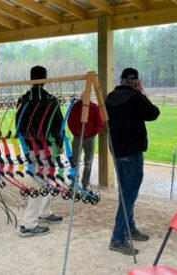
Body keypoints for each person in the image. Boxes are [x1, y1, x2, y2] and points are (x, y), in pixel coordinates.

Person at [106, 68, 160, 255]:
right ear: (136, 82)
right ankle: (117, 238)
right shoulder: (136, 98)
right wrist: (141, 92)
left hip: (118, 152)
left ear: (120, 80)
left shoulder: (110, 97)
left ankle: (129, 228)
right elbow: (154, 113)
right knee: (128, 196)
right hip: (132, 153)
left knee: (125, 194)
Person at [17, 66, 64, 238]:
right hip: (44, 146)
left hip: (31, 146)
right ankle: (28, 224)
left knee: (46, 177)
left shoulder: (23, 99)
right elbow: (58, 123)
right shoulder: (50, 100)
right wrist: (59, 142)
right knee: (41, 180)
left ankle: (44, 212)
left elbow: (19, 124)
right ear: (44, 79)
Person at [67, 98, 104, 190]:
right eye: (82, 98)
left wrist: (92, 134)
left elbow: (99, 123)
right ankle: (74, 181)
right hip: (77, 137)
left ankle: (85, 183)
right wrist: (75, 133)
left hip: (89, 138)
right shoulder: (75, 107)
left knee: (88, 161)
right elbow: (70, 121)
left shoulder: (94, 107)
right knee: (75, 160)